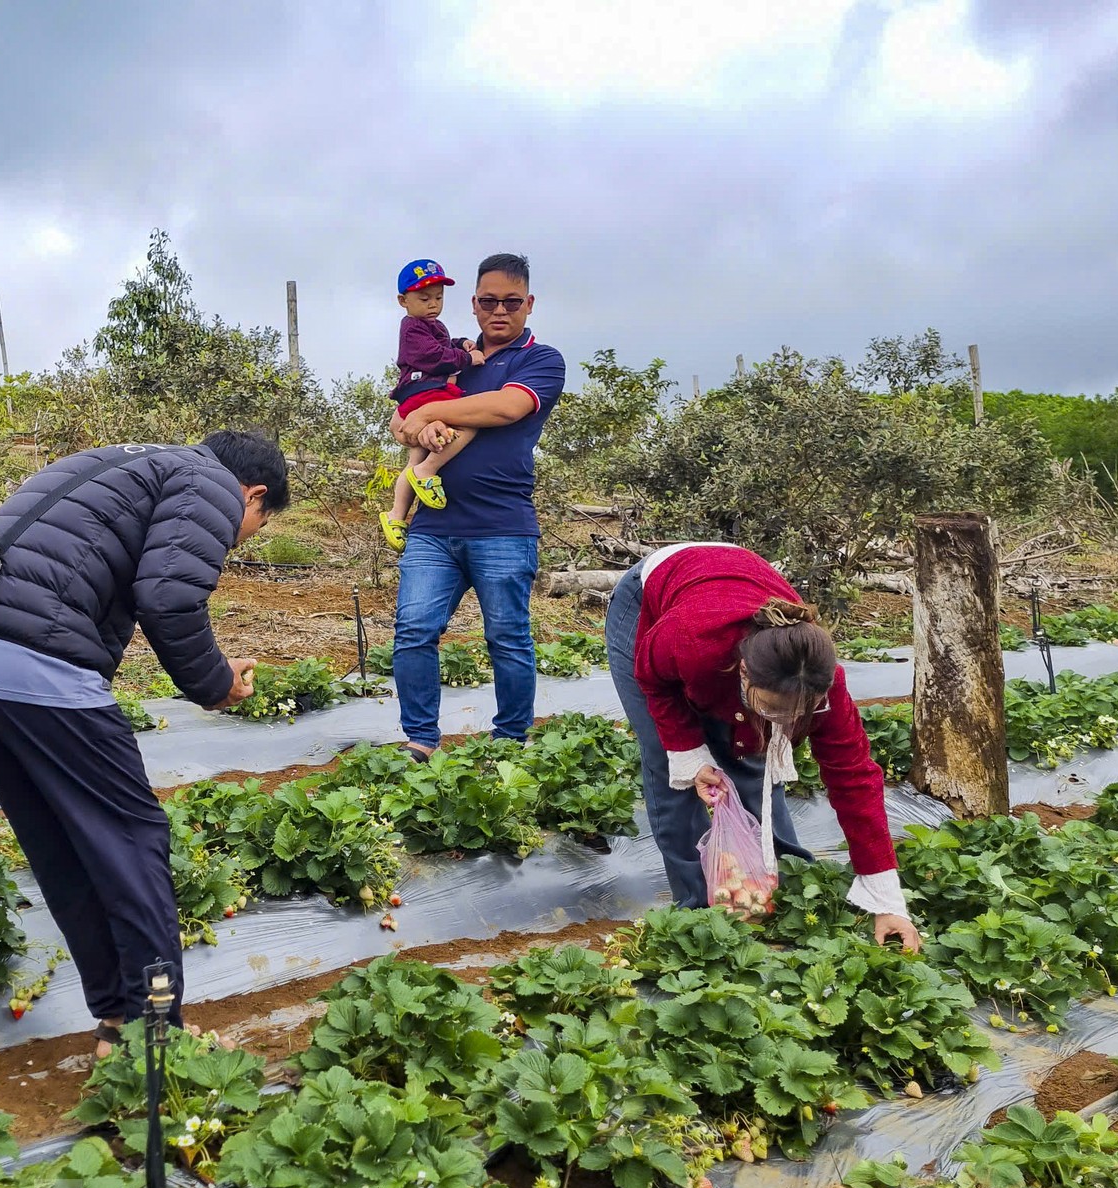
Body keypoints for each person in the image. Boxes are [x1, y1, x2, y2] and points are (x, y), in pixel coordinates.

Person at [0, 433, 286, 1057]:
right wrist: (215, 682)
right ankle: (155, 1034)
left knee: (64, 846)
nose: (239, 540)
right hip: (38, 661)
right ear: (253, 495)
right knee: (132, 838)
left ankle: (122, 1023)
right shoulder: (209, 483)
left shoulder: (122, 461)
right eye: (252, 526)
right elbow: (170, 597)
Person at [604, 542, 923, 949]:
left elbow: (854, 778)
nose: (783, 724)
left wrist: (886, 897)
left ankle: (783, 888)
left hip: (727, 587)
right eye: (771, 708)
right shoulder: (690, 641)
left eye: (794, 716)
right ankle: (700, 916)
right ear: (742, 673)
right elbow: (653, 679)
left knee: (753, 758)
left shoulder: (824, 686)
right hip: (649, 598)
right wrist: (689, 753)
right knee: (674, 774)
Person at [387, 253, 567, 758]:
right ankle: (420, 739)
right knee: (414, 629)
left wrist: (428, 409)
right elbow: (401, 421)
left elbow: (506, 407)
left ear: (529, 304)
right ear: (474, 304)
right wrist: (411, 420)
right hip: (433, 527)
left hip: (503, 526)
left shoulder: (540, 360)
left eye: (512, 302)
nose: (500, 311)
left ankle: (509, 739)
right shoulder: (451, 356)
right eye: (488, 302)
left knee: (507, 637)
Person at [378, 259, 486, 553]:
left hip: (422, 393)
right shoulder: (412, 328)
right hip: (425, 390)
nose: (433, 304)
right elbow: (433, 357)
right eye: (424, 299)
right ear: (403, 301)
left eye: (438, 297)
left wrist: (461, 342)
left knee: (414, 455)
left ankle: (396, 516)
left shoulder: (429, 325)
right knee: (469, 422)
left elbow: (443, 343)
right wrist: (467, 358)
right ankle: (429, 470)